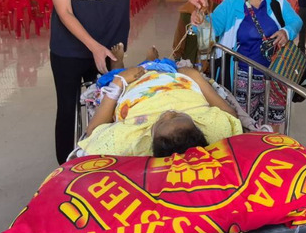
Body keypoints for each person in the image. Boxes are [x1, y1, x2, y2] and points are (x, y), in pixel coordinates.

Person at [46, 0, 207, 165]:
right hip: (69, 52)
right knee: (68, 109)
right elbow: (64, 12)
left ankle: (101, 160)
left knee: (107, 106)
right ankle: (64, 167)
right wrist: (93, 47)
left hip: (110, 51)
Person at [79, 47, 242, 157]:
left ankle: (118, 64)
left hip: (135, 85)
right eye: (178, 115)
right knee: (162, 65)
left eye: (162, 121)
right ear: (198, 128)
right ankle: (151, 59)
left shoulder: (129, 140)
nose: (169, 112)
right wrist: (195, 77)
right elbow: (230, 115)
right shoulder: (214, 127)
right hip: (173, 77)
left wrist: (119, 82)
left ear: (151, 139)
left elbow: (92, 132)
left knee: (116, 75)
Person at [203, 0, 302, 130]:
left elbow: (296, 21)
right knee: (246, 123)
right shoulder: (230, 4)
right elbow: (212, 27)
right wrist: (200, 22)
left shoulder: (277, 1)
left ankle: (270, 145)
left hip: (276, 75)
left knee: (273, 124)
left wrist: (286, 32)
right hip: (243, 76)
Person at [172, 0, 215, 66]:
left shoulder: (217, 10)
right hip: (190, 60)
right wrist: (178, 58)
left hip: (213, 60)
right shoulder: (186, 12)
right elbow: (179, 38)